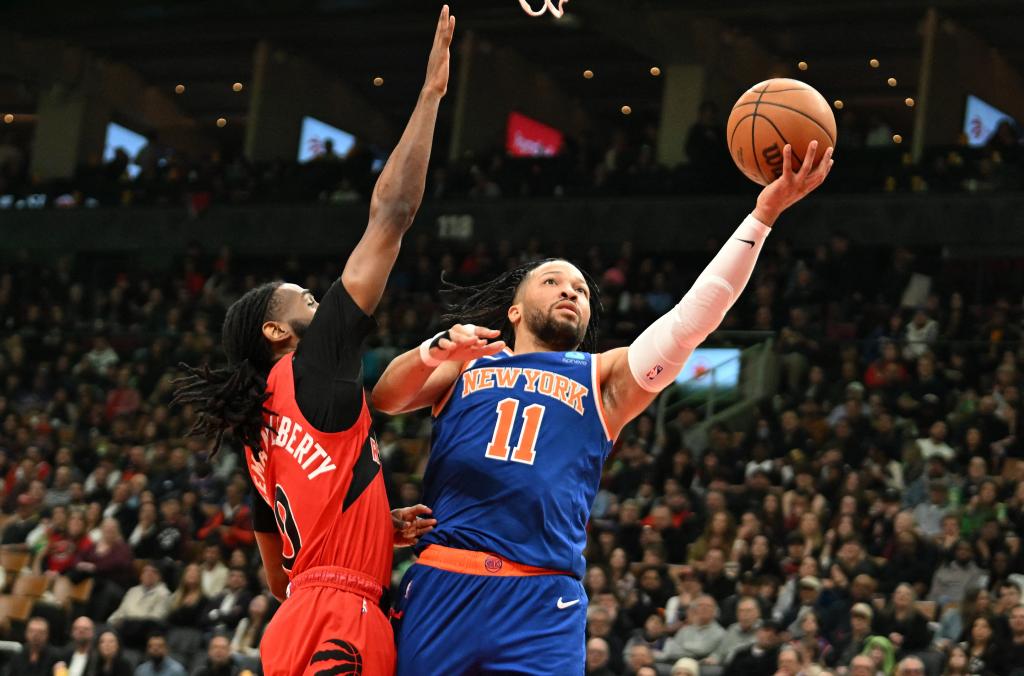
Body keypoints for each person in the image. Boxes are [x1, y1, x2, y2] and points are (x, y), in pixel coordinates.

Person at [375, 138, 833, 675]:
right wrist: (436, 348)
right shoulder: (467, 363)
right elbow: (387, 397)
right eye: (553, 282)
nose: (571, 293)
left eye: (582, 291)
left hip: (541, 600)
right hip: (446, 581)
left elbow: (691, 322)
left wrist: (763, 214)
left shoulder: (602, 376)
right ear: (516, 310)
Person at [172, 7, 454, 676]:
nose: (317, 300)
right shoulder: (311, 361)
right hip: (343, 620)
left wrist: (372, 532)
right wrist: (433, 93)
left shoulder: (256, 435)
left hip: (295, 618)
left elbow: (279, 577)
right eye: (303, 298)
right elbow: (393, 214)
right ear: (276, 331)